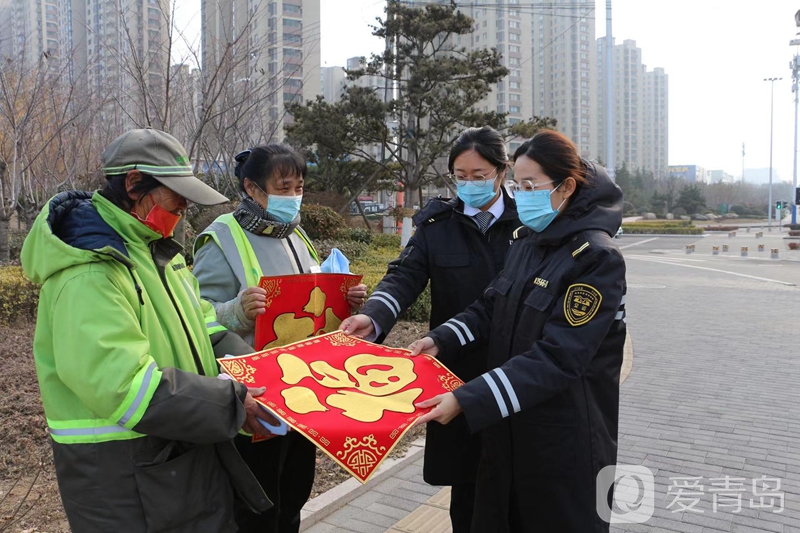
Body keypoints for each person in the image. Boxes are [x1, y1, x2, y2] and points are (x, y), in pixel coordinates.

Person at [20, 128, 277, 533]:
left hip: (171, 464)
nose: (183, 210)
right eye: (176, 198)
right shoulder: (91, 273)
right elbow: (125, 385)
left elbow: (198, 322)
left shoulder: (155, 250)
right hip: (123, 479)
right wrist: (231, 402)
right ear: (134, 183)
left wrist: (259, 364)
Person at [409, 130, 627, 532]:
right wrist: (440, 338)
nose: (522, 194)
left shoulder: (596, 259)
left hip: (561, 443)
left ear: (566, 187)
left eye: (531, 185)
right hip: (507, 435)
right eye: (518, 185)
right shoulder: (528, 242)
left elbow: (558, 357)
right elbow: (490, 306)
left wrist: (466, 399)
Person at [340, 126, 521, 533]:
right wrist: (373, 316)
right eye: (460, 176)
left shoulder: (526, 223)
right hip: (453, 371)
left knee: (518, 483)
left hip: (515, 369)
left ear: (502, 172)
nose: (469, 185)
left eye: (479, 176)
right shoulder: (438, 226)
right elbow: (403, 277)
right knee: (468, 487)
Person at [192, 144, 368, 533]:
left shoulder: (295, 233)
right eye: (283, 187)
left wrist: (345, 297)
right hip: (256, 396)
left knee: (293, 493)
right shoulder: (220, 238)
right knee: (257, 506)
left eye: (299, 187)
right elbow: (194, 316)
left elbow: (310, 300)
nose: (293, 196)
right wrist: (235, 310)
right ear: (252, 188)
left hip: (305, 389)